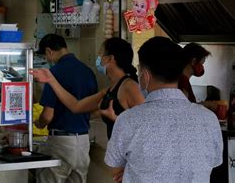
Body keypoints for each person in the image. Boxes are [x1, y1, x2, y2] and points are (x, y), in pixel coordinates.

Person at [105, 37, 222, 183]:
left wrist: (132, 173)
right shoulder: (209, 119)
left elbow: (114, 168)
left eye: (139, 69)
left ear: (146, 75)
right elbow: (213, 163)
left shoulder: (128, 119)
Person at [31, 37, 145, 139]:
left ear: (110, 59)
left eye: (101, 54)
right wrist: (51, 80)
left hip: (132, 155)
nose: (98, 58)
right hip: (117, 152)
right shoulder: (110, 89)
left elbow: (145, 126)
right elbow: (76, 106)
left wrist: (116, 119)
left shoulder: (130, 86)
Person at [33, 34, 97, 183]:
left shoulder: (53, 74)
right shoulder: (88, 72)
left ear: (49, 51)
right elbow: (92, 110)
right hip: (83, 142)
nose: (48, 61)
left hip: (61, 143)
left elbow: (48, 115)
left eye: (46, 57)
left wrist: (38, 123)